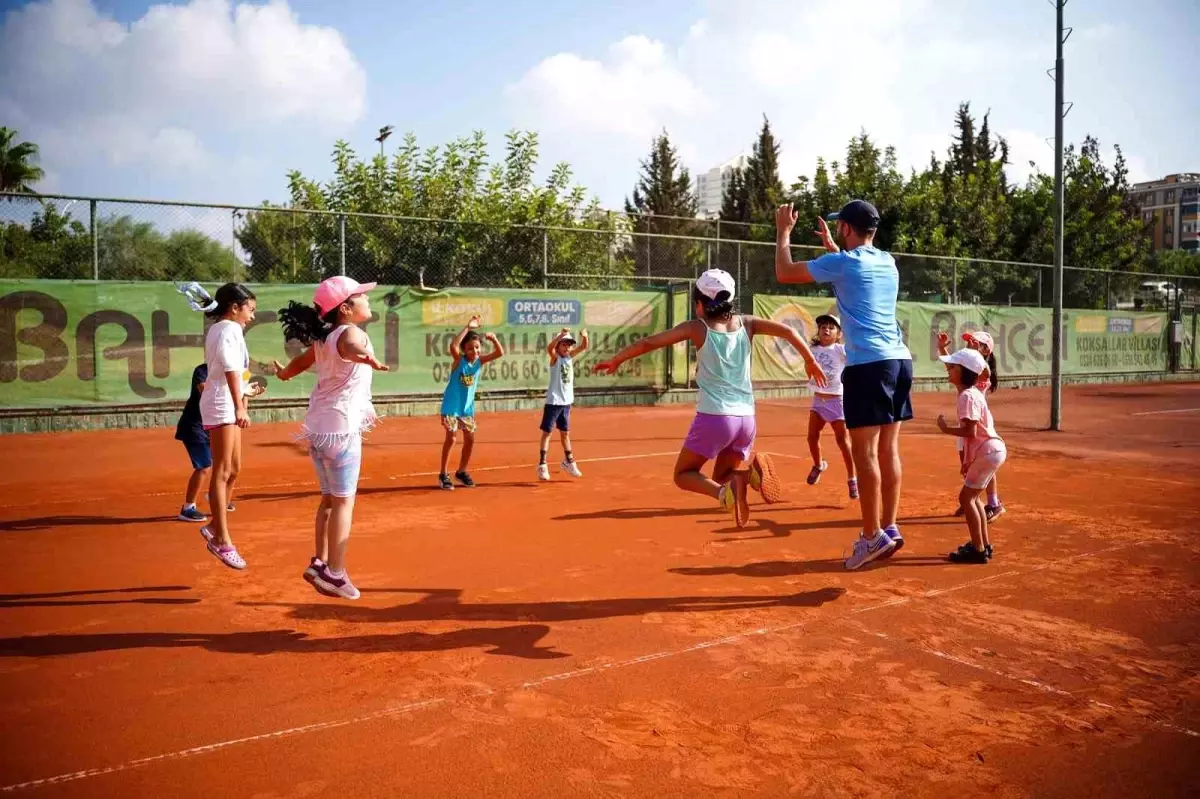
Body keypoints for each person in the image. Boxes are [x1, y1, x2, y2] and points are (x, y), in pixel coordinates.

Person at [595, 268, 826, 528]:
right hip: (747, 419)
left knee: (683, 474)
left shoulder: (697, 328)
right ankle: (750, 475)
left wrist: (616, 360)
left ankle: (723, 495)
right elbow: (789, 332)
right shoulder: (747, 323)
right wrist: (810, 361)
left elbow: (650, 343)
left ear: (699, 303)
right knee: (724, 474)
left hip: (715, 417)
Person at [775, 200, 912, 570]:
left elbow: (785, 272)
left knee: (865, 454)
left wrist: (784, 231)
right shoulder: (887, 261)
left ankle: (870, 539)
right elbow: (854, 274)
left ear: (848, 229)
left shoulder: (845, 264)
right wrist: (833, 251)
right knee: (888, 450)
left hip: (869, 366)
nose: (837, 229)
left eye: (840, 226)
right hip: (900, 361)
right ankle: (889, 527)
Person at [273, 276, 387, 600]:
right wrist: (366, 357)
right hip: (342, 431)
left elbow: (299, 364)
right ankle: (336, 574)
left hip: (317, 432)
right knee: (343, 504)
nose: (368, 300)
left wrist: (283, 373)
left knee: (327, 500)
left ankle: (319, 561)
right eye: (361, 296)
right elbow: (351, 346)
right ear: (346, 308)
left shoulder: (323, 339)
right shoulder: (352, 333)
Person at [181, 282, 257, 570]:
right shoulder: (227, 329)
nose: (252, 316)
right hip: (222, 405)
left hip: (226, 400)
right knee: (223, 471)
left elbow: (233, 372)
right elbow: (228, 369)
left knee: (234, 469)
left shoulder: (225, 329)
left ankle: (214, 527)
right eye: (249, 309)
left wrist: (245, 394)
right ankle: (222, 540)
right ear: (234, 308)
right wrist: (239, 405)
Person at [936, 348, 1006, 564]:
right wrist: (967, 461)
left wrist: (946, 429)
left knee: (966, 498)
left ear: (964, 372)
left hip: (988, 450)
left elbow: (971, 432)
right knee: (973, 498)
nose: (948, 368)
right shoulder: (970, 392)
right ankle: (983, 545)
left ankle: (977, 549)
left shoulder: (967, 396)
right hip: (991, 450)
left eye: (953, 366)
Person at [175, 362, 263, 522]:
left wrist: (243, 409)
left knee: (232, 468)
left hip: (220, 426)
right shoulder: (202, 370)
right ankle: (188, 507)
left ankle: (218, 495)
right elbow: (206, 391)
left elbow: (243, 394)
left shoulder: (242, 371)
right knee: (204, 466)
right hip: (196, 426)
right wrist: (240, 391)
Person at [938, 330, 1004, 521]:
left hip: (979, 425)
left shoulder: (982, 373)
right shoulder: (967, 369)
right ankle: (972, 501)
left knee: (983, 463)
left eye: (976, 342)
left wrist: (976, 355)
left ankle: (993, 503)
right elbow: (952, 366)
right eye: (969, 341)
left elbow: (982, 370)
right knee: (967, 464)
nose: (970, 343)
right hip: (966, 420)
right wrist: (943, 348)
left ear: (986, 351)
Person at [439, 316, 505, 490]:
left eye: (476, 347)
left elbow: (500, 353)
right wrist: (467, 327)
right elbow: (453, 345)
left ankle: (461, 471)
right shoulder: (459, 361)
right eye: (470, 348)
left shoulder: (479, 361)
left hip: (467, 409)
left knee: (470, 439)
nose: (474, 351)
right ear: (464, 350)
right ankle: (443, 474)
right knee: (451, 438)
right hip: (451, 407)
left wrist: (494, 339)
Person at [805, 314, 858, 500]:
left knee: (843, 442)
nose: (826, 330)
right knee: (812, 438)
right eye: (823, 327)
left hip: (838, 402)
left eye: (831, 327)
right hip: (818, 401)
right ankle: (819, 465)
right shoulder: (812, 349)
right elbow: (808, 365)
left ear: (839, 334)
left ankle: (852, 479)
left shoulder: (841, 350)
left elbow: (854, 359)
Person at [538, 327, 589, 481]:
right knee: (547, 433)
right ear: (558, 346)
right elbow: (549, 348)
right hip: (554, 402)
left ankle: (569, 461)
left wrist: (584, 335)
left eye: (569, 345)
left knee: (565, 433)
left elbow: (583, 346)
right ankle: (542, 465)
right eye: (564, 345)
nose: (567, 348)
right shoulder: (555, 359)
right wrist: (559, 335)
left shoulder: (569, 357)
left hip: (566, 402)